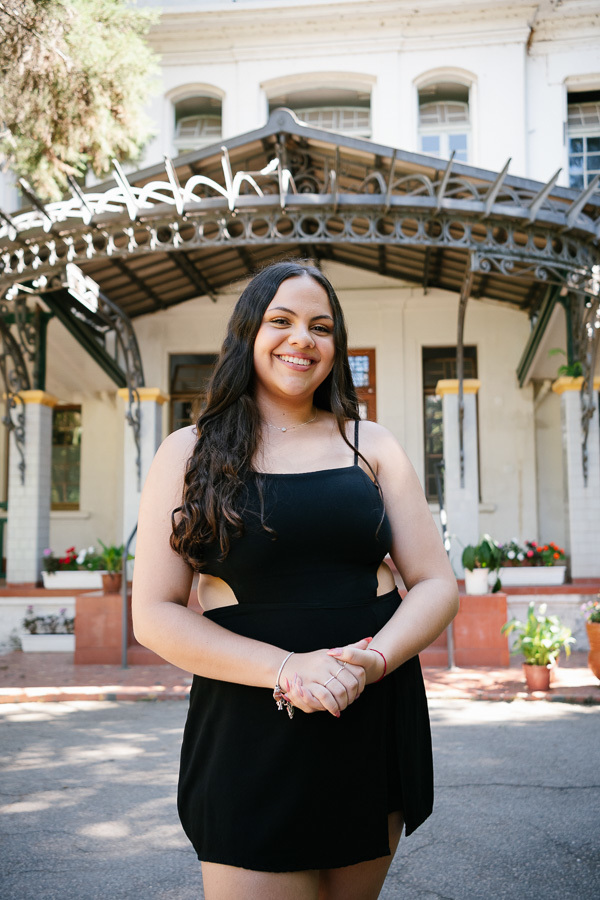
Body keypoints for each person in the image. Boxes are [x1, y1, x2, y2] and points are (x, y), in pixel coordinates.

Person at [132, 260, 459, 900]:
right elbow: (156, 613)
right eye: (280, 321)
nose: (301, 339)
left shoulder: (372, 445)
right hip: (250, 728)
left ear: (335, 347)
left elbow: (435, 585)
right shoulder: (187, 451)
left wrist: (370, 662)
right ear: (249, 333)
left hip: (369, 716)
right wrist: (289, 670)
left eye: (321, 326)